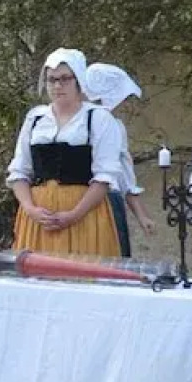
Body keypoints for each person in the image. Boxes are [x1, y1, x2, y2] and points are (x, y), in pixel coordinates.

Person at [6, 48, 125, 258]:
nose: (57, 85)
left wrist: (74, 214)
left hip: (84, 216)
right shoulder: (35, 119)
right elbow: (19, 171)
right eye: (52, 80)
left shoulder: (97, 119)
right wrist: (30, 208)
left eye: (64, 79)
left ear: (78, 80)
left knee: (83, 277)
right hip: (38, 218)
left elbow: (104, 176)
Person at [82, 63, 156, 258]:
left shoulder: (115, 127)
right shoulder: (77, 123)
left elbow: (124, 177)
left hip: (109, 202)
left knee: (110, 259)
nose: (125, 104)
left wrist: (142, 216)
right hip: (79, 199)